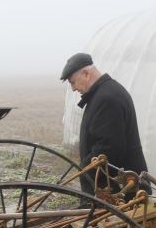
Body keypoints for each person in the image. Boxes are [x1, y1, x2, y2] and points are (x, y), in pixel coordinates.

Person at [60, 52, 150, 198]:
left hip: (119, 191)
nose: (73, 89)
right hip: (116, 188)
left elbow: (108, 149)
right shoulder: (105, 93)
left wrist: (85, 169)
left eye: (73, 82)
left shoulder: (107, 99)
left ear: (86, 74)